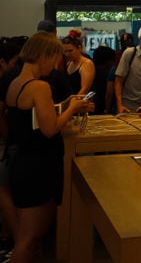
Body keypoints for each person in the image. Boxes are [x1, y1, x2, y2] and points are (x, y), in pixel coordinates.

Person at [3, 32, 94, 263]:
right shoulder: (39, 86)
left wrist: (65, 106)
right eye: (55, 58)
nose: (56, 65)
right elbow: (50, 129)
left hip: (22, 164)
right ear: (44, 55)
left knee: (26, 235)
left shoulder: (15, 83)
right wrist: (72, 108)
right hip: (38, 167)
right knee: (30, 238)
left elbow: (33, 122)